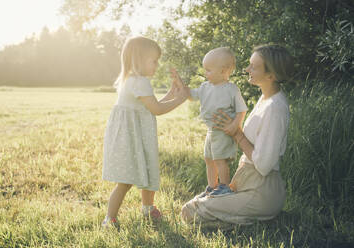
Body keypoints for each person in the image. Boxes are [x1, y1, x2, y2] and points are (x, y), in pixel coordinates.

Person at [181, 44, 294, 225]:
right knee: (196, 205)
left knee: (189, 212)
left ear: (271, 75)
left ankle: (254, 216)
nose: (247, 69)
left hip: (261, 189)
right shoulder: (265, 99)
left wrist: (237, 134)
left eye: (254, 67)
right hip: (246, 180)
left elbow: (264, 165)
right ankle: (241, 216)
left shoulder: (275, 108)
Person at [102, 36, 188, 228]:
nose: (157, 65)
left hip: (135, 136)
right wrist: (180, 99)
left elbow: (151, 105)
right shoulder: (139, 82)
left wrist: (172, 95)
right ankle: (110, 219)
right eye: (154, 61)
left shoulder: (132, 80)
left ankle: (147, 209)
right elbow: (156, 109)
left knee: (148, 169)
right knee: (125, 181)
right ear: (139, 59)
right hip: (131, 138)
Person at [173, 47, 247, 197]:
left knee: (220, 159)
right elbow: (191, 95)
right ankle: (212, 186)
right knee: (209, 158)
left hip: (223, 131)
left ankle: (225, 186)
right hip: (211, 130)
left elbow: (241, 109)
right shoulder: (205, 87)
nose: (205, 73)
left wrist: (235, 125)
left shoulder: (231, 89)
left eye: (208, 70)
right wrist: (181, 84)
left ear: (223, 71)